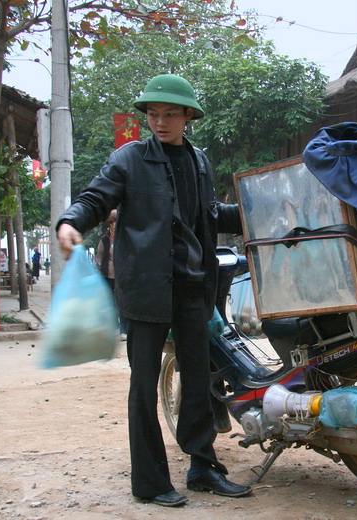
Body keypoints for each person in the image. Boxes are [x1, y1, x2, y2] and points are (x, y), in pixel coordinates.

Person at [56, 74, 248, 508]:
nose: (160, 122)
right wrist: (71, 222)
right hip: (145, 289)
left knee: (199, 379)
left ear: (188, 117)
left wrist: (259, 214)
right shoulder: (129, 159)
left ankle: (202, 467)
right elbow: (95, 198)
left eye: (169, 115)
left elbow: (210, 214)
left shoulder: (199, 161)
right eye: (153, 115)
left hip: (193, 285)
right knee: (143, 385)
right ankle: (149, 481)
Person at [96, 209, 126, 338]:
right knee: (111, 303)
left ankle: (124, 330)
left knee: (123, 303)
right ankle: (115, 327)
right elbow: (99, 257)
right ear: (111, 223)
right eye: (114, 222)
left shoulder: (125, 238)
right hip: (107, 276)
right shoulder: (105, 240)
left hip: (122, 276)